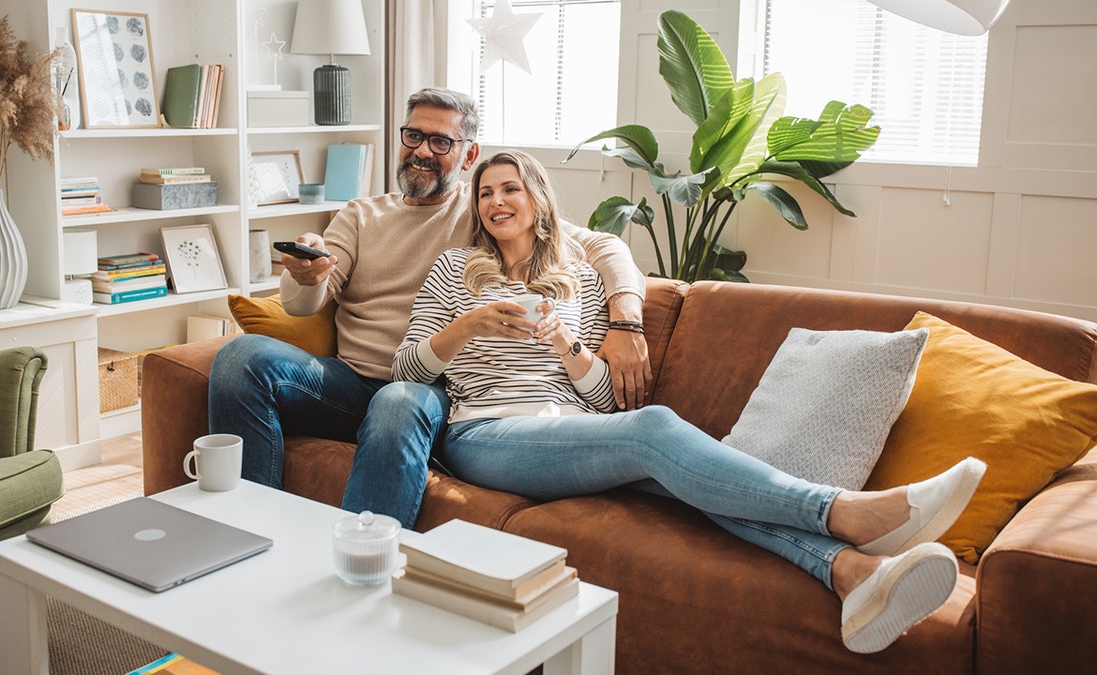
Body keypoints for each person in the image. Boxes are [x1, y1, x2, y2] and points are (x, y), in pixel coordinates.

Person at [392, 150, 987, 654]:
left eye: (510, 189)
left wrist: (568, 343)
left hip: (570, 435)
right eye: (486, 192)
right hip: (485, 435)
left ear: (537, 198)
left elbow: (604, 397)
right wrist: (466, 326)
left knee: (697, 485)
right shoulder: (453, 272)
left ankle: (852, 574)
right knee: (653, 428)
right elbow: (407, 369)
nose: (497, 202)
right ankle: (843, 511)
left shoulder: (579, 278)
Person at [208, 89, 648, 529]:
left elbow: (602, 245)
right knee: (237, 357)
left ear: (469, 154)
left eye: (440, 142)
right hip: (350, 383)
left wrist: (626, 321)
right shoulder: (361, 215)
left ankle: (366, 557)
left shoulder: (484, 211)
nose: (422, 151)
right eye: (413, 135)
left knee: (400, 399)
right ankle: (243, 526)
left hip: (433, 391)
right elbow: (305, 301)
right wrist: (308, 275)